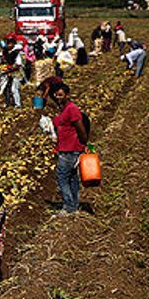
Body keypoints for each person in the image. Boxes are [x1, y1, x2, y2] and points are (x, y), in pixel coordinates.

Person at [51, 84, 88, 216]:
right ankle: (74, 204)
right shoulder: (64, 109)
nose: (57, 97)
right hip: (66, 147)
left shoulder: (72, 109)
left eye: (60, 94)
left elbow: (81, 128)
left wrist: (83, 144)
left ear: (67, 95)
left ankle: (68, 207)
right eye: (56, 95)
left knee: (62, 177)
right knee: (72, 177)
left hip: (70, 149)